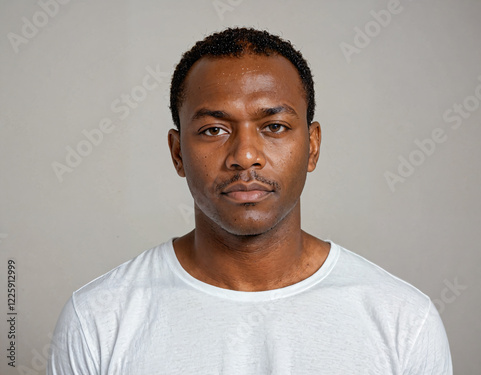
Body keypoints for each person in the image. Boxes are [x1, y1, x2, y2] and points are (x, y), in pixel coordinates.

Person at [48, 27, 453, 374]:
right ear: (177, 153)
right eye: (213, 130)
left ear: (312, 147)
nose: (245, 155)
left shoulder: (402, 320)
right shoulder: (98, 319)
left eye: (274, 126)